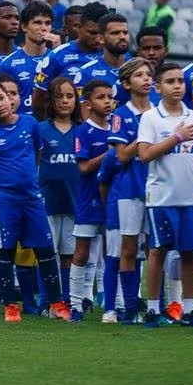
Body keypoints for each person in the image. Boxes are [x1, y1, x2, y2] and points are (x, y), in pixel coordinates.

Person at [0, 80, 70, 323]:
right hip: (4, 201)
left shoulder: (30, 124)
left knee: (45, 251)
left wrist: (27, 181)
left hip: (32, 200)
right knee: (5, 253)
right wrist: (1, 184)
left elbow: (36, 155)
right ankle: (10, 306)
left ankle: (57, 304)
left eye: (1, 98)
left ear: (10, 97)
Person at [135, 62, 193, 329]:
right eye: (170, 81)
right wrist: (175, 138)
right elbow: (144, 154)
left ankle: (189, 310)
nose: (177, 85)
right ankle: (153, 309)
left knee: (189, 253)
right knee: (158, 252)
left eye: (180, 80)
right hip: (162, 198)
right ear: (158, 87)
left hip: (191, 197)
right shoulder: (151, 118)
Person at [107, 57, 153, 323]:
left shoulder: (159, 110)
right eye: (139, 75)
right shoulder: (122, 115)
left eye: (148, 74)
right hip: (131, 187)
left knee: (153, 249)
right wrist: (145, 136)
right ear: (126, 83)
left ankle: (155, 305)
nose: (146, 79)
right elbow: (122, 155)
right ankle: (129, 307)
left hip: (158, 187)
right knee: (128, 248)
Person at [38, 77, 82, 314]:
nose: (65, 101)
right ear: (50, 101)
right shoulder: (41, 129)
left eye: (70, 96)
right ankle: (46, 300)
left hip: (74, 201)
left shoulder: (82, 131)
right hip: (47, 201)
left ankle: (65, 299)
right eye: (59, 96)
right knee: (47, 253)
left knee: (68, 254)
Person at [71, 79, 115, 320]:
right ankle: (76, 305)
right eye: (102, 97)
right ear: (88, 103)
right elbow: (84, 167)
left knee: (113, 253)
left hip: (113, 200)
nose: (107, 102)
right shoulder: (83, 131)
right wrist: (109, 153)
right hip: (89, 200)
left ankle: (113, 303)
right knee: (81, 253)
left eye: (110, 97)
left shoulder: (116, 128)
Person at [32, 2, 107, 118]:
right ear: (80, 27)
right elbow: (38, 101)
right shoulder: (57, 56)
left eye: (101, 33)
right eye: (92, 33)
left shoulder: (113, 55)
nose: (98, 38)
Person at [0, 1, 58, 114]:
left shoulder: (58, 59)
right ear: (24, 26)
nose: (43, 28)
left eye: (47, 23)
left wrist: (58, 52)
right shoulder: (7, 65)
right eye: (37, 23)